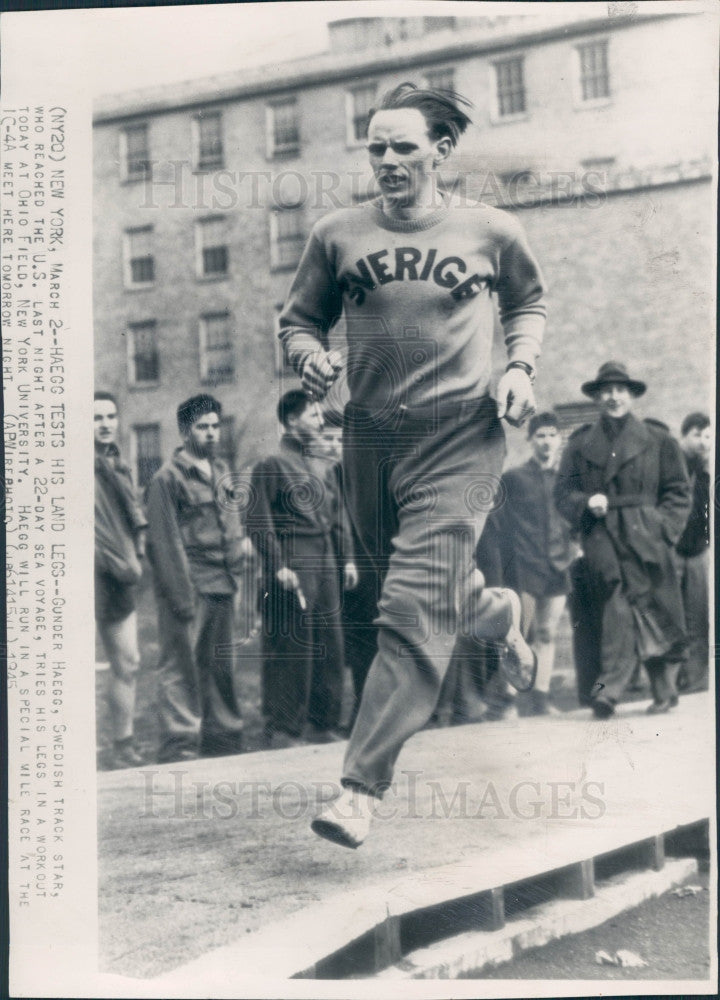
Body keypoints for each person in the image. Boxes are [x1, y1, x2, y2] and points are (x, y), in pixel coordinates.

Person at [278, 82, 545, 847]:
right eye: (376, 146)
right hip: (369, 440)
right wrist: (308, 358)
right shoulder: (337, 233)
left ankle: (360, 789)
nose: (388, 159)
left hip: (461, 435)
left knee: (409, 608)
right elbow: (299, 319)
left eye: (403, 146)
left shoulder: (491, 229)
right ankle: (498, 616)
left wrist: (520, 368)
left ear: (441, 151)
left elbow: (528, 303)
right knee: (441, 592)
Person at [555, 362, 691, 719]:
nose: (613, 397)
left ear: (631, 395)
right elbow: (563, 493)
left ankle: (663, 688)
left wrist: (663, 529)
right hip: (601, 535)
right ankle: (608, 692)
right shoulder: (580, 443)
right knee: (616, 604)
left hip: (646, 536)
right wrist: (586, 502)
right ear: (597, 397)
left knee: (653, 606)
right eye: (606, 391)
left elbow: (678, 491)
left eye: (620, 390)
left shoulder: (658, 439)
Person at [246, 390, 358, 747]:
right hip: (294, 557)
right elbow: (258, 521)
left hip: (325, 557)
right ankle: (284, 728)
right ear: (291, 421)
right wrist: (277, 565)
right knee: (293, 643)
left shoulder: (321, 465)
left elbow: (338, 517)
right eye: (313, 415)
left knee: (330, 641)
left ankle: (322, 722)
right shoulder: (271, 465)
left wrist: (348, 558)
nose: (320, 421)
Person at [145, 394, 246, 762]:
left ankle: (223, 738)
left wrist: (236, 568)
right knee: (180, 667)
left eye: (215, 426)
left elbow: (231, 523)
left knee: (219, 665)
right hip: (189, 586)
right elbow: (164, 542)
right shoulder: (166, 479)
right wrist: (181, 596)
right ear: (186, 430)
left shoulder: (220, 472)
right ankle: (180, 745)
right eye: (203, 427)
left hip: (222, 582)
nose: (211, 433)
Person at [493, 412, 576, 715]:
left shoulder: (566, 479)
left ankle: (541, 698)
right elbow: (500, 523)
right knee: (519, 634)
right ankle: (509, 700)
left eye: (552, 435)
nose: (546, 441)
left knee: (548, 633)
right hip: (524, 568)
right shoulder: (514, 478)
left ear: (559, 439)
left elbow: (572, 519)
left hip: (557, 566)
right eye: (540, 435)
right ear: (530, 440)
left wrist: (572, 548)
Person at [94, 391, 147, 769]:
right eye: (96, 417)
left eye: (110, 416)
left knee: (128, 661)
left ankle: (122, 744)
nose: (106, 423)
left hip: (119, 575)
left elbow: (134, 518)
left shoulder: (119, 465)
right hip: (87, 573)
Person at [675, 412, 711, 693]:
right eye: (697, 435)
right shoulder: (673, 466)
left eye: (708, 435)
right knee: (673, 616)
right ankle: (672, 680)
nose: (703, 441)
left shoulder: (708, 470)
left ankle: (697, 681)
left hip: (698, 551)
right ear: (684, 436)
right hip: (673, 550)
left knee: (698, 617)